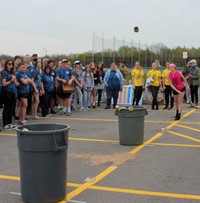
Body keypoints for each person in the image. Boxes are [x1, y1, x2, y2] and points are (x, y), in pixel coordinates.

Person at [1, 60, 18, 129]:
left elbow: (16, 84)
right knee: (6, 108)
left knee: (11, 108)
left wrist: (14, 79)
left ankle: (9, 123)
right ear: (6, 64)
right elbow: (4, 84)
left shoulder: (12, 73)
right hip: (7, 92)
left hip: (13, 91)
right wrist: (11, 80)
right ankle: (5, 124)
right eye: (9, 64)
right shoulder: (4, 72)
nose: (10, 65)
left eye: (12, 64)